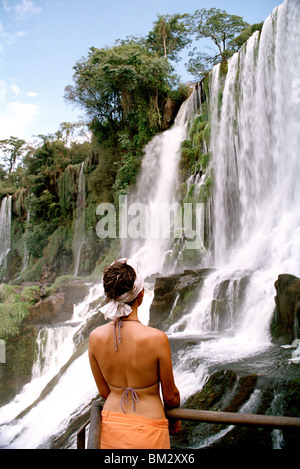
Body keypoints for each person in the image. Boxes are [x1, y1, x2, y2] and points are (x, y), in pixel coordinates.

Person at [88, 257, 180, 449]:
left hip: (111, 425)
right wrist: (174, 419)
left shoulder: (95, 338)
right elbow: (170, 396)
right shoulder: (157, 339)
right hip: (150, 428)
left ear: (109, 296)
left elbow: (104, 392)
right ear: (141, 295)